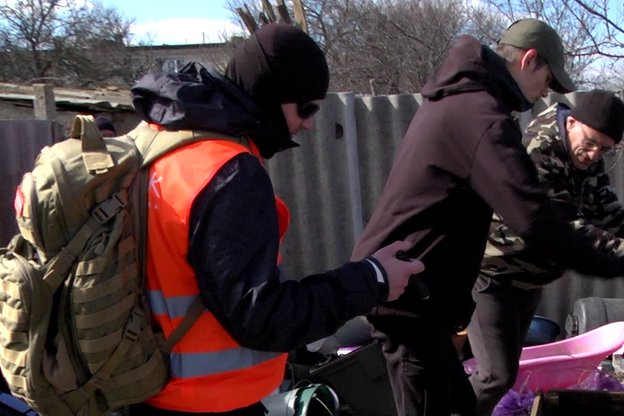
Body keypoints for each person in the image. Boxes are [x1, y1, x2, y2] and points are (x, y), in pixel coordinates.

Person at [350, 19, 624, 416]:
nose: (545, 93)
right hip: (408, 299)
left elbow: (583, 212)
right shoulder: (481, 117)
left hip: (422, 295)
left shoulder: (466, 103)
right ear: (530, 60)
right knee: (463, 392)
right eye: (548, 80)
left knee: (463, 402)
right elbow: (537, 221)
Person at [128, 23, 423, 415]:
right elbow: (263, 316)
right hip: (204, 402)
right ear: (272, 95)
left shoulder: (159, 145)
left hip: (144, 392)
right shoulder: (229, 173)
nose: (309, 123)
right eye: (306, 108)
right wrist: (374, 279)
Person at [469, 91, 624, 415]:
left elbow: (607, 213)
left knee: (507, 373)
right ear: (570, 122)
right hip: (493, 274)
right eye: (590, 142)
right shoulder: (539, 151)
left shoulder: (586, 154)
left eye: (605, 149)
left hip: (530, 279)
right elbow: (567, 229)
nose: (594, 153)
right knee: (493, 376)